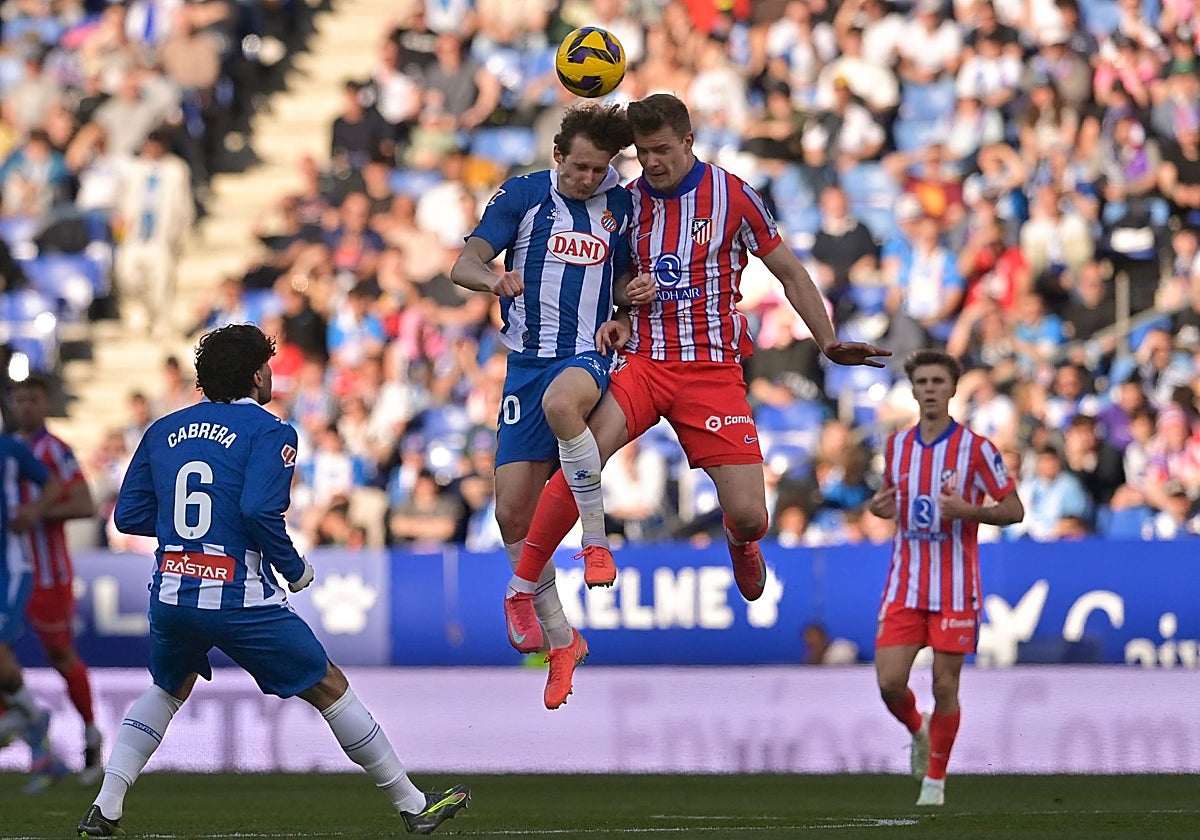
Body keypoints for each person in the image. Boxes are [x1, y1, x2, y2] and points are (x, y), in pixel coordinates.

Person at [504, 93, 888, 655]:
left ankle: (741, 540)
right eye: (642, 153)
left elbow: (789, 271)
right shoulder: (626, 201)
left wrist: (827, 340)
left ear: (688, 141)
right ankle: (521, 588)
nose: (651, 162)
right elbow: (606, 279)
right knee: (583, 451)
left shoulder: (732, 196)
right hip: (644, 364)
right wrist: (620, 308)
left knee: (752, 515)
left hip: (711, 372)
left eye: (661, 150)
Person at [77, 325, 469, 837]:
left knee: (167, 688)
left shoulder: (161, 430)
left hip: (172, 588)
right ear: (257, 372)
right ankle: (413, 804)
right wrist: (292, 566)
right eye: (267, 365)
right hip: (237, 592)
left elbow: (128, 516)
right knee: (329, 686)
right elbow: (260, 510)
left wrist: (191, 532)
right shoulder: (272, 431)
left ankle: (106, 806)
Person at [451, 102, 652, 710]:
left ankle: (596, 541)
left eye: (601, 169)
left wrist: (626, 305)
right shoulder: (523, 196)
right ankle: (563, 642)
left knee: (568, 404)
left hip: (584, 355)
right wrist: (494, 280)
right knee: (512, 516)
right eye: (581, 167)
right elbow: (464, 264)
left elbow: (619, 282)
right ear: (558, 156)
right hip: (523, 366)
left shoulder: (621, 205)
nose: (590, 178)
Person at [867, 349, 1024, 807]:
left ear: (953, 389)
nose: (930, 389)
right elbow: (889, 500)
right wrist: (879, 508)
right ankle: (919, 730)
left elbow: (1014, 510)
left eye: (939, 381)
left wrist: (969, 511)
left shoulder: (977, 449)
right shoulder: (895, 445)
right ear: (913, 390)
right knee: (890, 683)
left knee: (944, 685)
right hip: (905, 584)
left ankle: (935, 780)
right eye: (923, 382)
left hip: (955, 588)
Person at [9, 374, 103, 784]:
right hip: (7, 572)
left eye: (33, 399)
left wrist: (36, 513)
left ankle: (91, 737)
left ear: (46, 403)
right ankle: (40, 748)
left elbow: (84, 502)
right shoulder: (8, 450)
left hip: (47, 575)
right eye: (19, 399)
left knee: (60, 657)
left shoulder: (55, 450)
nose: (25, 406)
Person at [0, 429, 67, 793]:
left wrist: (34, 511)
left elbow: (54, 483)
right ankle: (36, 734)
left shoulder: (11, 450)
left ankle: (25, 720)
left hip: (10, 566)